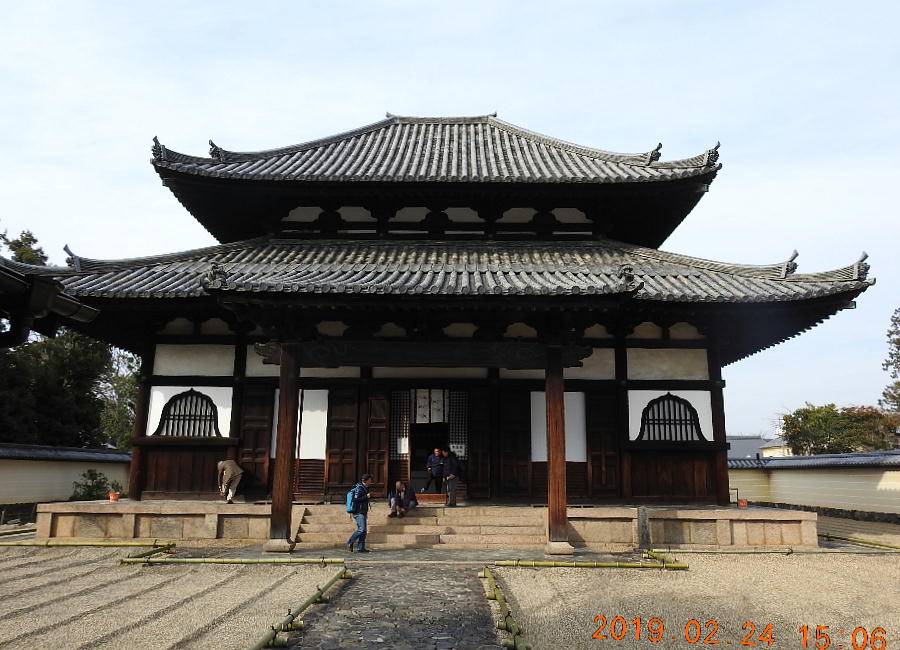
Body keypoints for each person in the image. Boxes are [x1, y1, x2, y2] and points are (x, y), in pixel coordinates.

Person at [347, 473, 375, 553]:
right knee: (361, 529)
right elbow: (356, 499)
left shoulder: (365, 487)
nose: (371, 481)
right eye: (370, 479)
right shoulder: (360, 488)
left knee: (364, 531)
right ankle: (350, 542)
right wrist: (367, 496)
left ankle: (361, 548)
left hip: (362, 511)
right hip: (358, 512)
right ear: (367, 480)